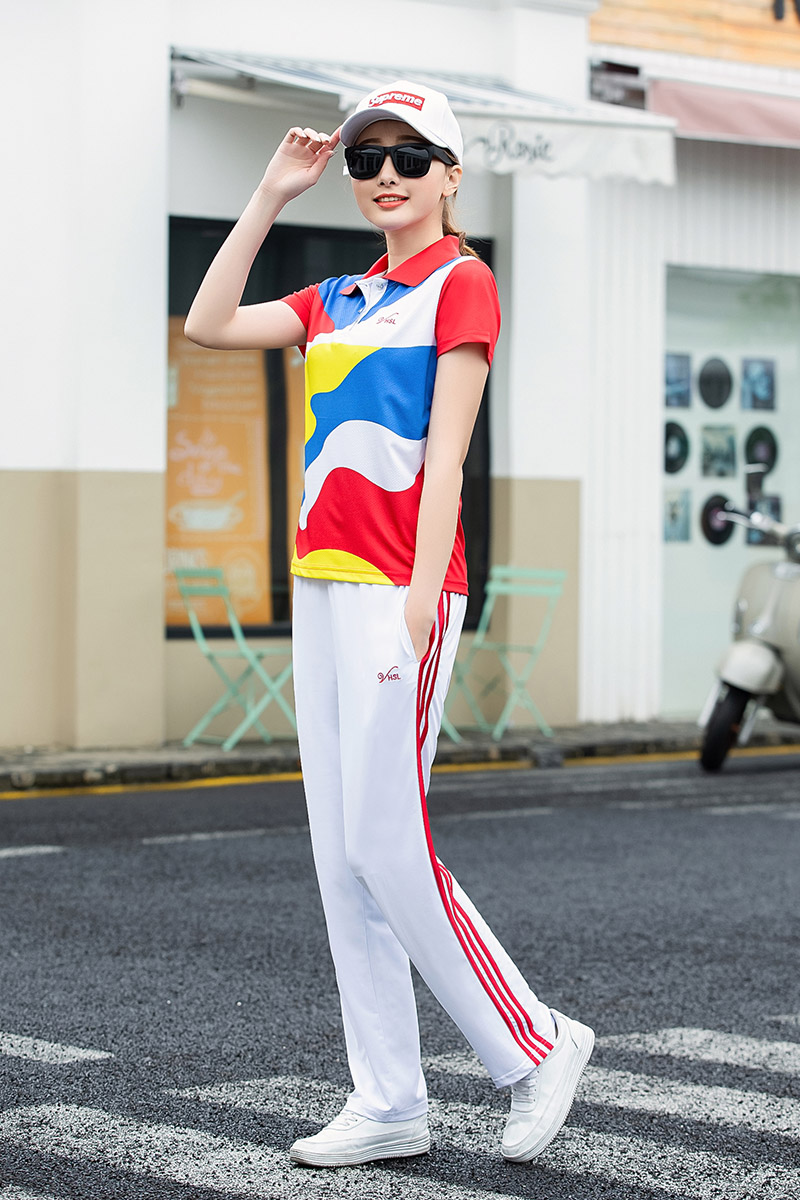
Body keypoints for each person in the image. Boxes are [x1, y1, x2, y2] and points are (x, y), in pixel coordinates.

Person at [185, 79, 594, 1169]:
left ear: (450, 177)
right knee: (340, 861)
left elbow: (448, 455)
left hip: (398, 590)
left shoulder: (462, 282)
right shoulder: (337, 297)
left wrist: (421, 594)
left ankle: (535, 1041)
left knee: (385, 840)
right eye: (368, 159)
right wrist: (271, 195)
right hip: (321, 585)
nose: (385, 176)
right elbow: (209, 324)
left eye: (410, 158)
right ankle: (388, 1101)